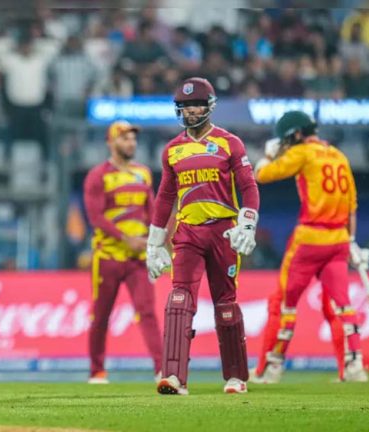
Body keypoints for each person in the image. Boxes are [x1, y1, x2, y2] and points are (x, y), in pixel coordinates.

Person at [146, 77, 260, 395]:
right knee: (179, 299)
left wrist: (247, 223)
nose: (191, 111)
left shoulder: (230, 143)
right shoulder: (172, 150)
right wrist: (154, 243)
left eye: (196, 105)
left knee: (225, 304)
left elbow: (249, 187)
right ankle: (174, 377)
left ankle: (236, 377)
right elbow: (165, 197)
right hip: (188, 233)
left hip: (224, 232)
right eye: (185, 106)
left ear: (209, 106)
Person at [250, 111, 369, 383]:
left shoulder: (303, 152)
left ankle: (272, 367)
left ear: (296, 134)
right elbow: (351, 207)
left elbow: (263, 175)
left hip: (310, 239)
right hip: (339, 240)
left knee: (285, 304)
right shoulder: (339, 155)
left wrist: (268, 155)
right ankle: (355, 365)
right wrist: (351, 241)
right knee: (343, 305)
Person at [83, 121, 163, 385]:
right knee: (101, 315)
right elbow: (96, 217)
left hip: (138, 258)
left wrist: (155, 241)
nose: (131, 143)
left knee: (147, 312)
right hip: (108, 256)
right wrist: (127, 239)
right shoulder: (98, 176)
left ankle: (162, 369)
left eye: (132, 139)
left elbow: (152, 211)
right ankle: (97, 371)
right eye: (124, 138)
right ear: (110, 142)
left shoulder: (143, 173)